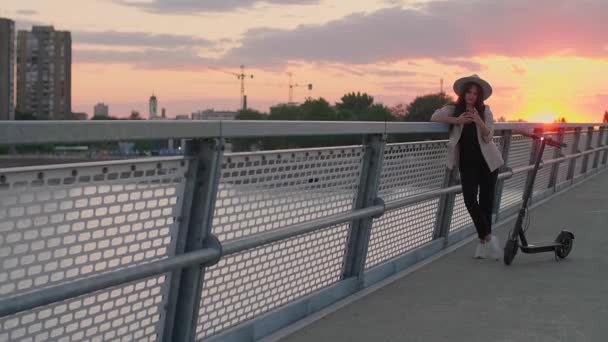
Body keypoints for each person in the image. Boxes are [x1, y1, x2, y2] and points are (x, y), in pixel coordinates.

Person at [431, 74, 504, 259]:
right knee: (470, 200)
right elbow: (435, 117)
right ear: (463, 93)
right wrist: (458, 121)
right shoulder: (453, 109)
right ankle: (489, 238)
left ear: (480, 96)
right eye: (469, 92)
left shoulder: (485, 110)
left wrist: (478, 121)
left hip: (488, 162)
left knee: (486, 203)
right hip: (467, 163)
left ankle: (482, 245)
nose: (472, 96)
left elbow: (489, 135)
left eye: (475, 93)